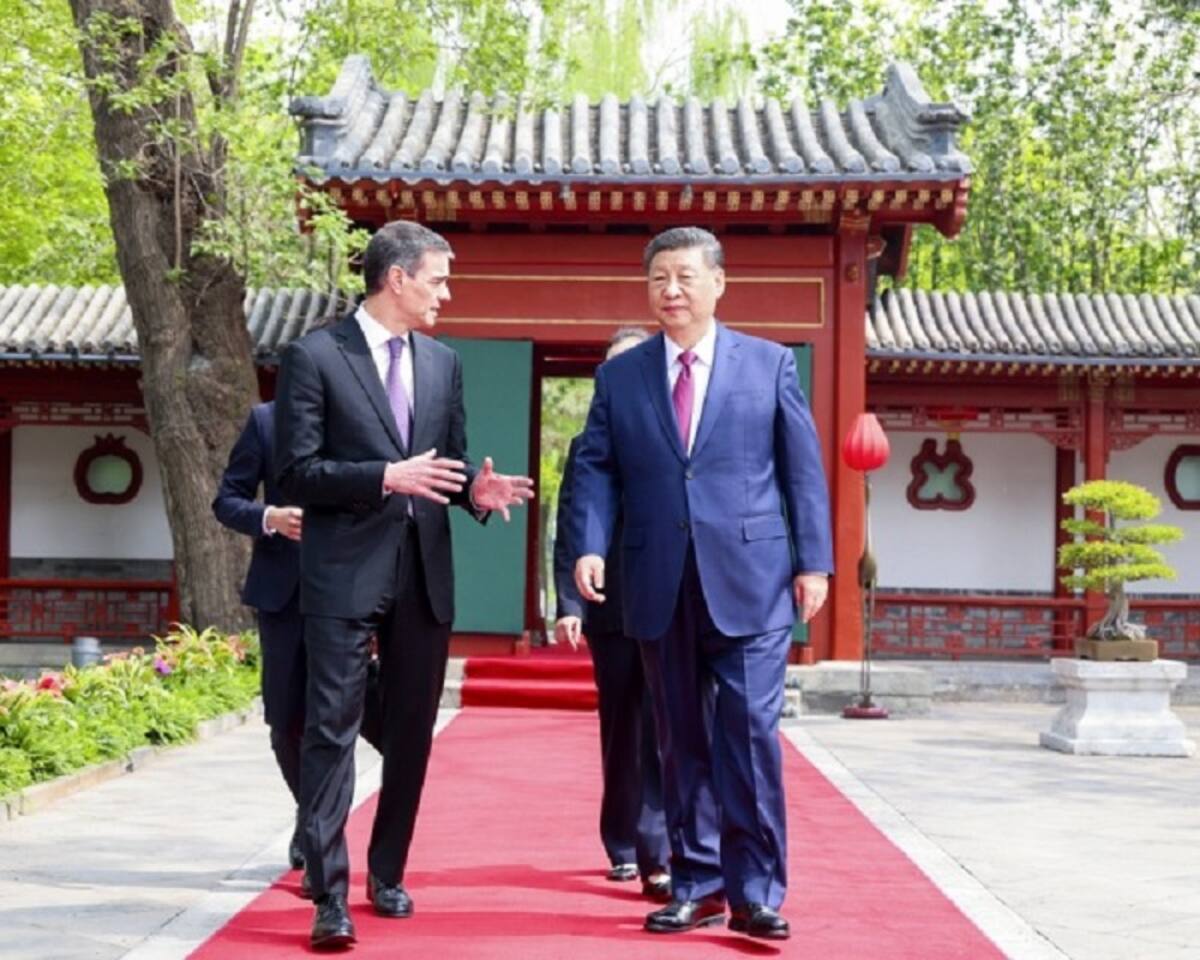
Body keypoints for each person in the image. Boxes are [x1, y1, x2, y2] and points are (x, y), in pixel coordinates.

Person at [274, 220, 534, 950]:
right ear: (397, 278)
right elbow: (294, 473)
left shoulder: (445, 363)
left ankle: (387, 871)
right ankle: (329, 894)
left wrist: (473, 496)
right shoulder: (314, 356)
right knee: (330, 731)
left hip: (422, 574)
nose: (447, 293)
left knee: (413, 736)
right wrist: (382, 477)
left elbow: (444, 467)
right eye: (439, 279)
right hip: (341, 574)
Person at [571, 226, 833, 942]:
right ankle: (697, 884)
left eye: (685, 276)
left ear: (719, 282)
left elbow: (801, 469)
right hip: (659, 580)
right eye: (659, 278)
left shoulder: (769, 364)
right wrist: (589, 546)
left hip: (752, 580)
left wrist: (815, 562)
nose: (671, 291)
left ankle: (756, 892)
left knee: (748, 735)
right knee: (679, 737)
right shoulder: (621, 377)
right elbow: (596, 467)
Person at [211, 401, 382, 882]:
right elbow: (227, 499)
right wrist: (270, 517)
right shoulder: (267, 421)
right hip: (282, 595)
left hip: (351, 592)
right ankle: (313, 819)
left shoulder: (372, 419)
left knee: (332, 724)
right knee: (285, 720)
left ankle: (320, 838)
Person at [553, 327, 670, 901]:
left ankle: (661, 846)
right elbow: (570, 526)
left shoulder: (673, 434)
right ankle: (621, 841)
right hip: (608, 604)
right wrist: (567, 602)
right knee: (622, 725)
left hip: (667, 600)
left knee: (664, 724)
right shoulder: (586, 446)